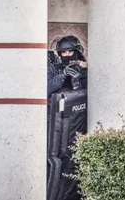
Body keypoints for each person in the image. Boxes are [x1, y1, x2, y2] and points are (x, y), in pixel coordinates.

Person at [47, 35, 88, 200]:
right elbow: (45, 90)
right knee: (54, 163)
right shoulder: (52, 70)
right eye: (63, 53)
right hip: (53, 124)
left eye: (70, 51)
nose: (67, 55)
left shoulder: (85, 72)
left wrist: (77, 81)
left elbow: (88, 97)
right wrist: (63, 76)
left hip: (77, 124)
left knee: (73, 162)